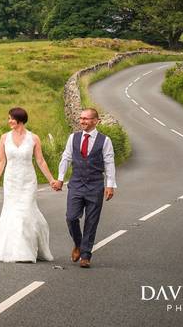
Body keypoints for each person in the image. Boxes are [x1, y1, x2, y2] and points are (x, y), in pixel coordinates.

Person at [0, 107, 59, 262]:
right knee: (12, 213)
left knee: (26, 212)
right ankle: (15, 251)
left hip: (28, 181)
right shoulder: (4, 138)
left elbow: (40, 161)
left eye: (11, 118)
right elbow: (1, 161)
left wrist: (51, 180)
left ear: (19, 119)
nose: (9, 121)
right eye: (8, 118)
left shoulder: (33, 138)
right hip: (11, 180)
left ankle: (28, 250)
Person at [52, 108, 117, 268]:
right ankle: (78, 243)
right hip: (76, 184)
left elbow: (109, 163)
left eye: (86, 119)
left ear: (96, 121)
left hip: (95, 185)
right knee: (71, 217)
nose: (82, 121)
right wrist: (60, 179)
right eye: (81, 118)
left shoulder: (105, 140)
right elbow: (66, 157)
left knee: (91, 221)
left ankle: (86, 255)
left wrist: (110, 185)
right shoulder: (72, 138)